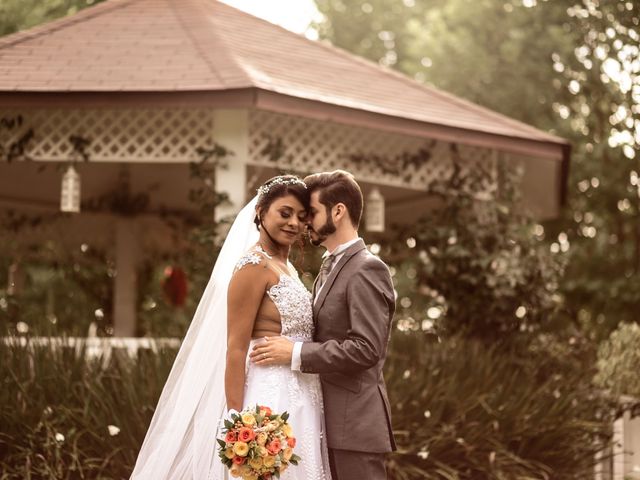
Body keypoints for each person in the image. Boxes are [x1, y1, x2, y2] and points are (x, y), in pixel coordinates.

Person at [131, 175, 331, 480]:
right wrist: (240, 423)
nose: (293, 223)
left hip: (303, 396)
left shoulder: (287, 268)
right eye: (285, 213)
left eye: (302, 217)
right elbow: (235, 349)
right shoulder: (253, 266)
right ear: (261, 212)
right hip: (268, 400)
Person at [249, 170, 397, 479]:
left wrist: (295, 353)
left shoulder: (366, 268)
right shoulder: (330, 268)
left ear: (338, 211)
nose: (305, 223)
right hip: (324, 421)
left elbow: (367, 349)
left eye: (312, 213)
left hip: (354, 428)